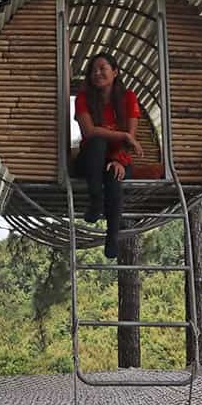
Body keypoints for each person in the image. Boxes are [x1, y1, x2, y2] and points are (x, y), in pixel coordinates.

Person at [72, 52, 144, 258]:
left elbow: (131, 136)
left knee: (114, 176)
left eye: (102, 68)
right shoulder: (83, 98)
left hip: (118, 157)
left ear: (115, 72)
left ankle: (112, 236)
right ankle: (96, 200)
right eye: (93, 70)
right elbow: (89, 131)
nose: (97, 73)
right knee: (97, 142)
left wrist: (119, 160)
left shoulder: (128, 97)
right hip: (90, 161)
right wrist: (123, 135)